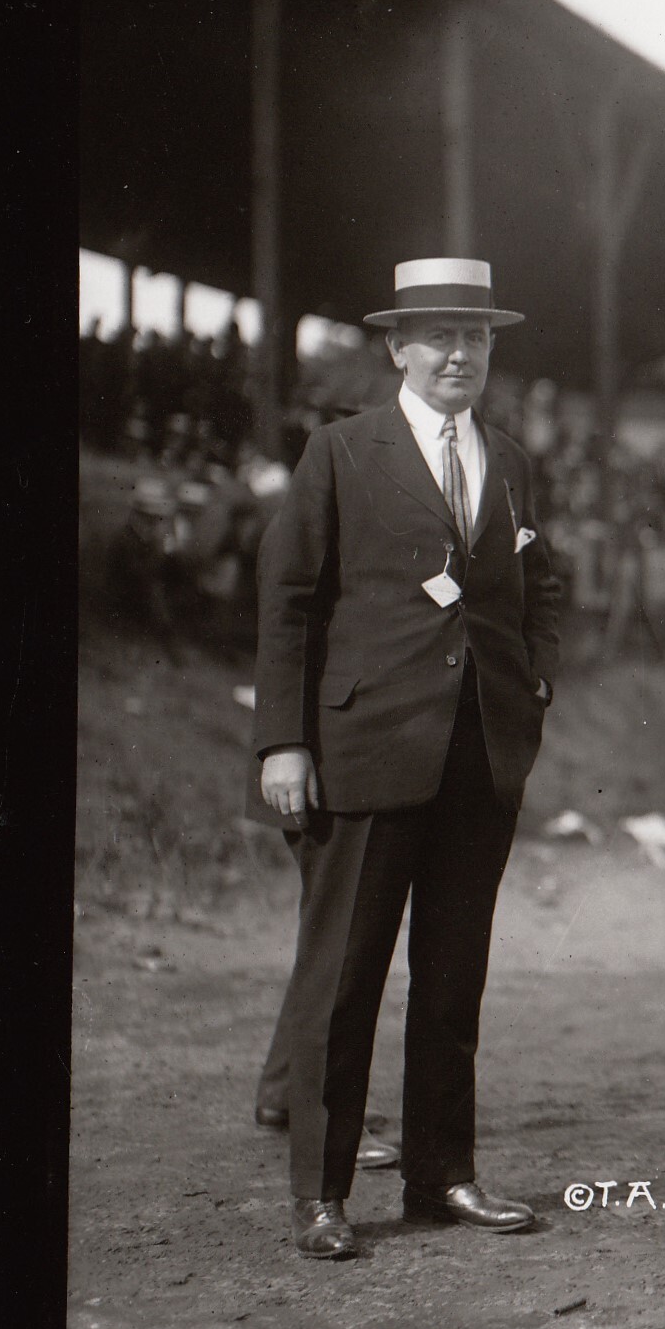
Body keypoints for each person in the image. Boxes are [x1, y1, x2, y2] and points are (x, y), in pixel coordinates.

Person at [247, 257, 563, 1261]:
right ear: (397, 347)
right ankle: (321, 1196)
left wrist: (533, 682)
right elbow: (287, 601)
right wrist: (284, 739)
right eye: (438, 336)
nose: (459, 353)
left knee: (452, 978)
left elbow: (540, 584)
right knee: (343, 980)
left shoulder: (510, 460)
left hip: (481, 754)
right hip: (364, 751)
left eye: (475, 336)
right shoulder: (340, 452)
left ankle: (441, 1178)